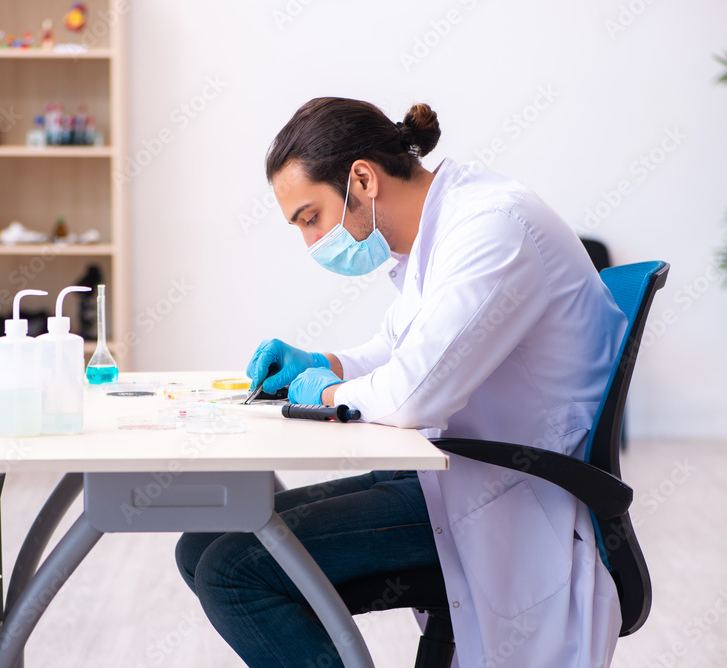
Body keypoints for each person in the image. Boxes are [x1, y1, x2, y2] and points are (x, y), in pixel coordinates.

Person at [175, 97, 625, 667]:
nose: (312, 243)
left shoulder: (493, 228)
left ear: (362, 178)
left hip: (503, 498)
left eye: (310, 217)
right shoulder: (438, 233)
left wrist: (325, 394)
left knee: (234, 571)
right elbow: (398, 353)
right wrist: (323, 364)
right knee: (202, 547)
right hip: (450, 475)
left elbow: (414, 392)